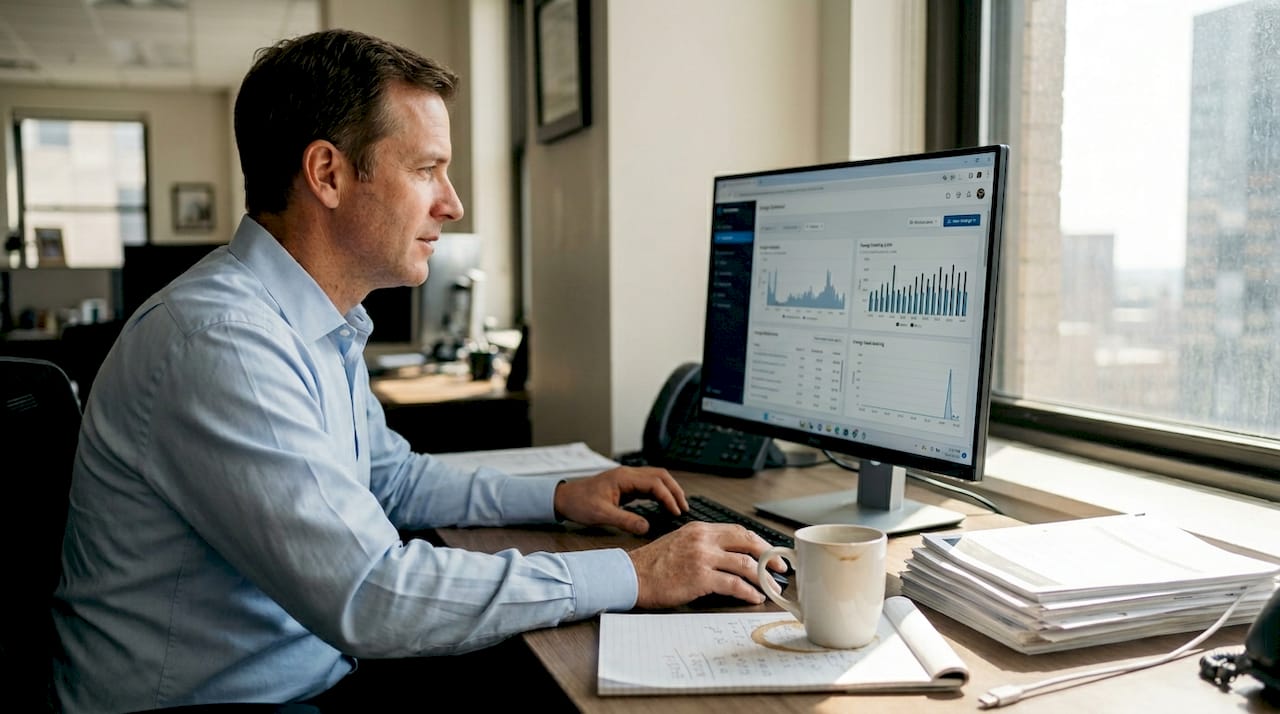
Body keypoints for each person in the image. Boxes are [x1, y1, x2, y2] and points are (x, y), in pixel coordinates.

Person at [51, 28, 780, 714]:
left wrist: (559, 496)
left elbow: (387, 479)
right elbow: (370, 596)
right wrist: (637, 574)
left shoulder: (309, 321)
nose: (452, 203)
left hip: (305, 673)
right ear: (328, 173)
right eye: (428, 168)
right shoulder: (222, 343)